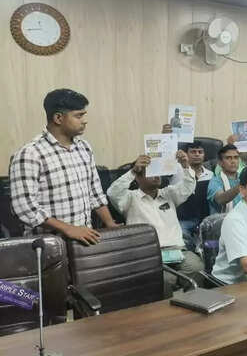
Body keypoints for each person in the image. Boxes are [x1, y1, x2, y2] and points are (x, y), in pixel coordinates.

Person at [10, 88, 118, 242]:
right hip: (49, 246)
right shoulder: (30, 154)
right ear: (58, 118)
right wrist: (69, 229)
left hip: (85, 240)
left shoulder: (84, 147)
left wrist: (110, 224)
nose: (84, 121)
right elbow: (24, 208)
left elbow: (95, 194)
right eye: (78, 116)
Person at [107, 152, 206, 293]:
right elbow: (112, 192)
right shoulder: (129, 198)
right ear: (138, 178)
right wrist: (133, 171)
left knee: (197, 267)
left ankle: (189, 301)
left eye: (158, 171)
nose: (156, 175)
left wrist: (185, 166)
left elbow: (188, 186)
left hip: (177, 250)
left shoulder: (168, 193)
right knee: (166, 279)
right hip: (148, 253)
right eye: (151, 172)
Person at [170, 140, 213, 251]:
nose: (197, 154)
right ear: (186, 154)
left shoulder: (211, 175)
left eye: (200, 152)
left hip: (205, 219)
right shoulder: (176, 171)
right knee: (182, 240)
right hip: (182, 219)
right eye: (193, 152)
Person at [207, 144, 243, 214]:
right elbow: (220, 199)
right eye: (228, 158)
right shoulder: (215, 181)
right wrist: (241, 185)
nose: (233, 161)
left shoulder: (242, 178)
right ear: (220, 162)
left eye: (236, 157)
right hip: (222, 219)